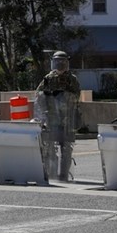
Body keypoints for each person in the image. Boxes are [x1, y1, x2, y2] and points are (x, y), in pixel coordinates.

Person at [35, 51, 81, 181]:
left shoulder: (72, 79)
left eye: (63, 62)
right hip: (52, 118)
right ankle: (51, 173)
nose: (60, 64)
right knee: (49, 147)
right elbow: (38, 95)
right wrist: (48, 95)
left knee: (66, 148)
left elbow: (77, 96)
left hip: (68, 118)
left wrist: (64, 94)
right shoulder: (48, 78)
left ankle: (64, 175)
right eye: (57, 62)